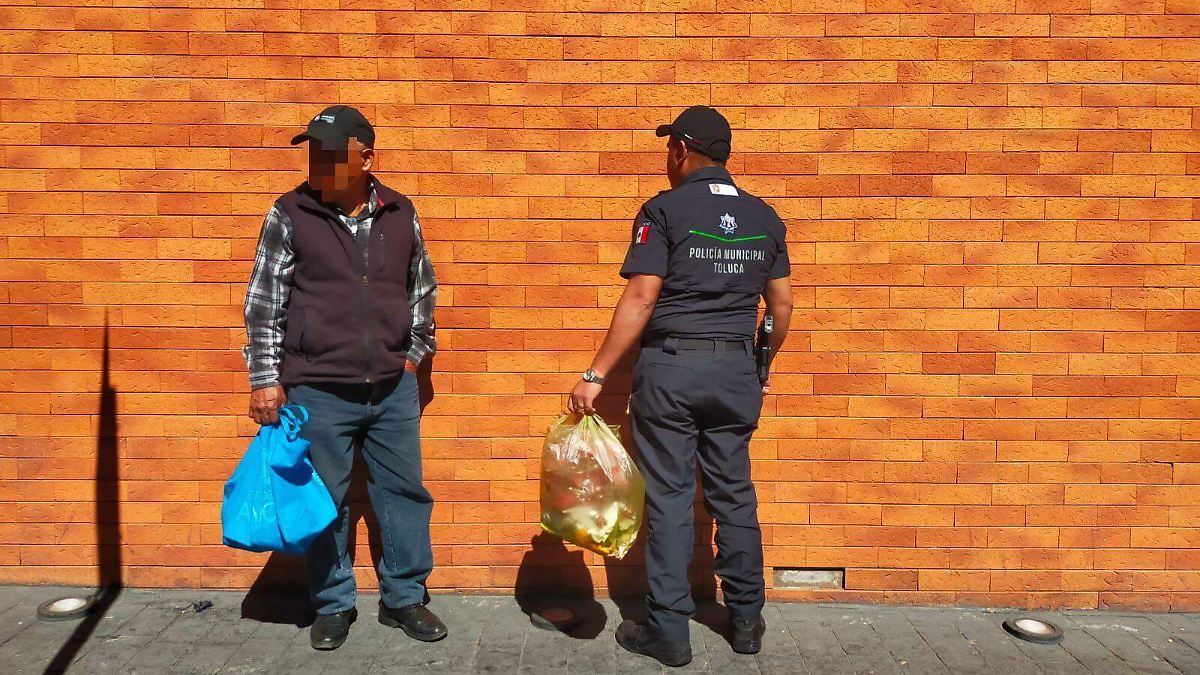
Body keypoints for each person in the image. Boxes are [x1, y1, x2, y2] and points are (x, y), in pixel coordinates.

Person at [568, 105, 794, 667]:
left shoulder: (663, 210)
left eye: (669, 148)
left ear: (681, 151)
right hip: (735, 368)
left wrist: (595, 375)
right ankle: (746, 620)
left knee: (669, 499)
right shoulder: (765, 216)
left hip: (672, 369)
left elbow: (642, 297)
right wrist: (760, 367)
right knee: (734, 494)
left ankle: (669, 631)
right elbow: (782, 306)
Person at [242, 105, 445, 650]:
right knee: (325, 499)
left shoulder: (401, 212)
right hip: (317, 388)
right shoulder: (289, 212)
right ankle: (333, 602)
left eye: (331, 154)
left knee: (403, 494)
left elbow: (422, 285)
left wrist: (415, 351)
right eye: (314, 153)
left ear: (367, 157)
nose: (319, 164)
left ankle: (405, 598)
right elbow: (264, 303)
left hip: (391, 387)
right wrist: (265, 379)